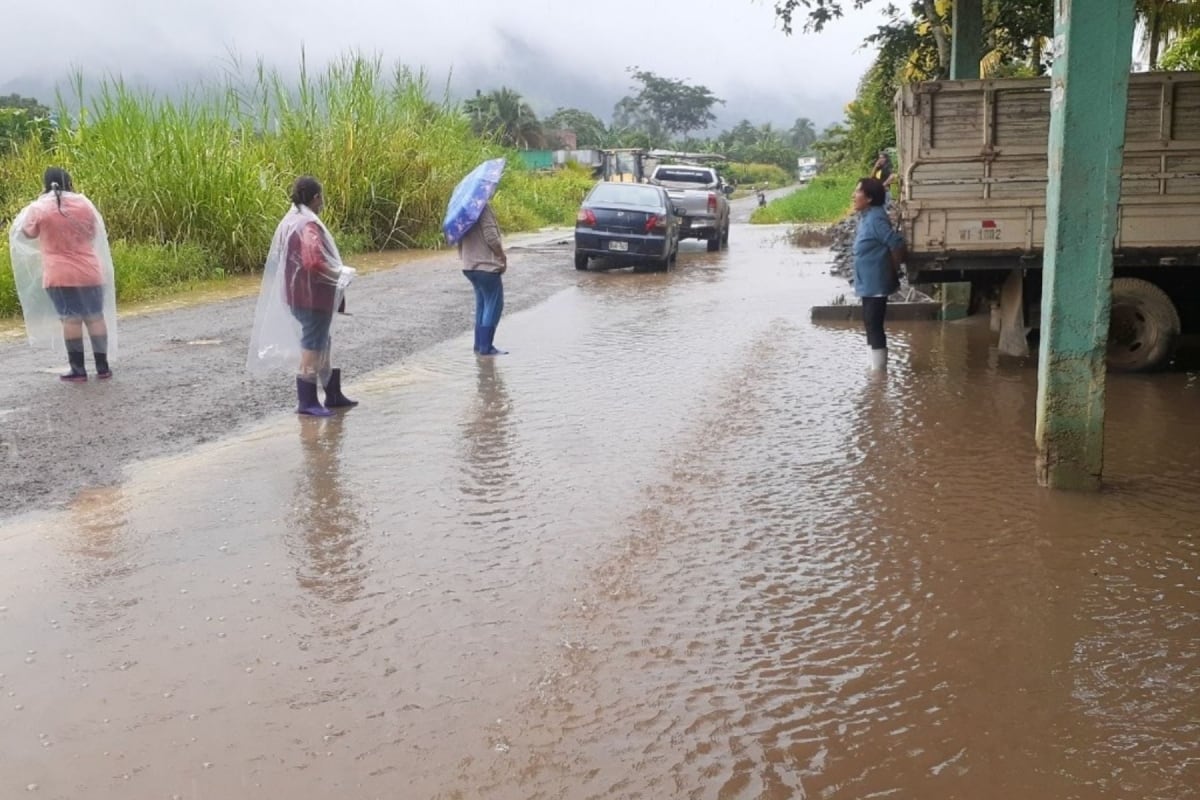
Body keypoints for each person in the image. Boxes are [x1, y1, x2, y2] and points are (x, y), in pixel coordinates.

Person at [247, 176, 358, 416]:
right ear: (316, 197)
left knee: (322, 342)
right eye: (322, 198)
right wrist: (339, 272)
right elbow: (313, 261)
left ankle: (332, 394)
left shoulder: (291, 220)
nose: (323, 203)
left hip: (296, 293)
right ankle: (307, 402)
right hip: (313, 297)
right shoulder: (309, 225)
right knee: (313, 345)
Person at [8, 167, 118, 381]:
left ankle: (78, 370)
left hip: (59, 273)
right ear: (70, 181)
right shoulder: (84, 205)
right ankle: (103, 367)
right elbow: (92, 233)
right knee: (95, 316)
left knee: (71, 319)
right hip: (89, 270)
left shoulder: (39, 208)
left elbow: (29, 233)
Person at [851, 177, 907, 371]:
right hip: (867, 282)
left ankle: (879, 375)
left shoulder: (875, 218)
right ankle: (874, 369)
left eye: (857, 192)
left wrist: (893, 268)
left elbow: (896, 243)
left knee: (874, 324)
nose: (853, 195)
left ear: (869, 198)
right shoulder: (868, 215)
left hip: (876, 281)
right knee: (869, 322)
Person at [458, 202, 508, 356]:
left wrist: (464, 257)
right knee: (494, 304)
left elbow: (458, 237)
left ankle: (479, 344)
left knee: (482, 304)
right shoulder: (483, 208)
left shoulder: (463, 209)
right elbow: (491, 237)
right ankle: (486, 347)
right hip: (486, 266)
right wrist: (502, 256)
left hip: (469, 266)